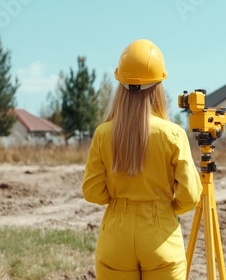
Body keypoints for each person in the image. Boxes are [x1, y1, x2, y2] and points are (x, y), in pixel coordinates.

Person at [82, 39, 202, 280]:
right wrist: (166, 207)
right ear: (158, 87)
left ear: (120, 86)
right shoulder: (173, 134)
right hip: (160, 237)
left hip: (116, 239)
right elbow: (190, 195)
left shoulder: (103, 133)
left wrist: (118, 202)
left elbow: (92, 191)